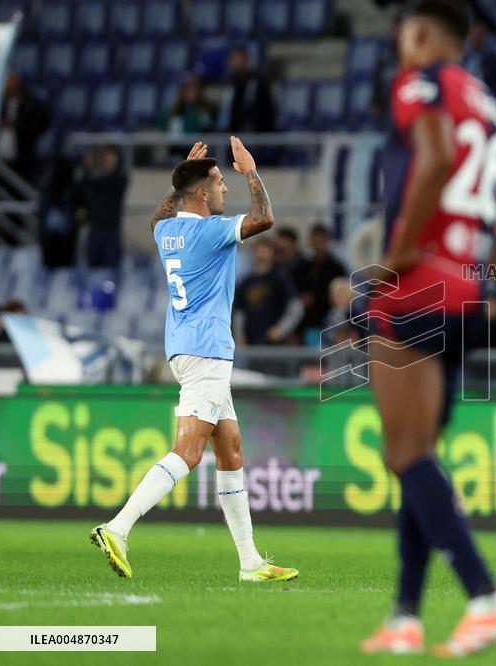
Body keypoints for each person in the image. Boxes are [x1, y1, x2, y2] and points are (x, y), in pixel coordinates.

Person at [359, 1, 496, 657]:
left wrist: (397, 257)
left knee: (405, 454)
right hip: (464, 291)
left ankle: (486, 598)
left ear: (421, 33)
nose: (400, 44)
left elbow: (436, 154)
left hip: (416, 282)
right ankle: (405, 616)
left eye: (403, 33)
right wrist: (486, 269)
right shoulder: (491, 107)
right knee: (417, 452)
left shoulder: (420, 83)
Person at [90, 139, 298, 584]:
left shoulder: (166, 232)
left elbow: (161, 216)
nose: (226, 188)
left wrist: (182, 178)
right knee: (188, 451)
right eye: (220, 182)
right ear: (202, 194)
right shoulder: (211, 231)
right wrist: (251, 170)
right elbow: (264, 218)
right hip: (207, 351)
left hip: (184, 348)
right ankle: (117, 528)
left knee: (231, 450)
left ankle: (250, 562)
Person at [234, 238, 304, 345]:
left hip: (275, 344)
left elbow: (296, 307)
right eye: (258, 249)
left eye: (265, 250)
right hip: (251, 343)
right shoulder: (246, 282)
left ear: (272, 253)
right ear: (253, 252)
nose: (261, 254)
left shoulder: (280, 278)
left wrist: (281, 329)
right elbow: (240, 312)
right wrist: (240, 335)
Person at [78, 145, 129, 268]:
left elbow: (113, 181)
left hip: (112, 230)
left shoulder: (119, 179)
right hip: (95, 229)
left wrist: (105, 166)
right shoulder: (93, 180)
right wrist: (88, 165)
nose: (106, 160)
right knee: (92, 266)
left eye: (110, 157)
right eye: (105, 157)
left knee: (112, 268)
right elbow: (83, 183)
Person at [220, 47, 277, 132]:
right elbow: (227, 112)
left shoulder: (258, 83)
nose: (237, 62)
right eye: (234, 59)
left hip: (256, 132)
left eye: (239, 59)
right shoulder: (230, 84)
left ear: (246, 60)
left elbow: (268, 111)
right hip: (234, 132)